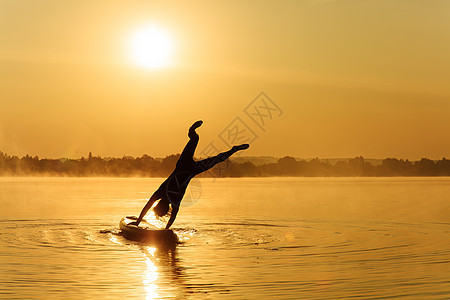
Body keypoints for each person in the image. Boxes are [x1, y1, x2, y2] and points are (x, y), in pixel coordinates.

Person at [131, 120, 249, 229]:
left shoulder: (169, 197)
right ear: (160, 205)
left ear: (166, 208)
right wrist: (163, 229)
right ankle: (233, 149)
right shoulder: (172, 200)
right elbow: (153, 208)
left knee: (199, 144)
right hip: (191, 169)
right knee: (214, 158)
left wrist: (139, 222)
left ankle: (193, 131)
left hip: (184, 166)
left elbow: (165, 214)